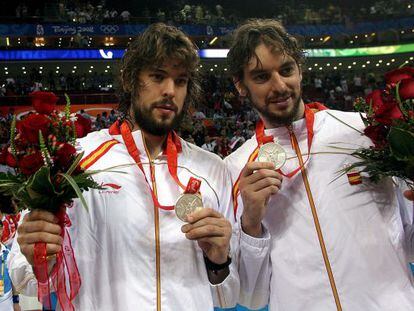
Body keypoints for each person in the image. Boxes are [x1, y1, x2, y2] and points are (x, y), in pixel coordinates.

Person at [12, 23, 239, 310]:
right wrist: (37, 253)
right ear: (131, 79)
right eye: (158, 76)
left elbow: (229, 295)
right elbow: (23, 276)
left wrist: (218, 261)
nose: (170, 90)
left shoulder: (212, 169)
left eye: (180, 81)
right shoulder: (76, 159)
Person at [225, 18, 414, 310]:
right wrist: (250, 222)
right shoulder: (234, 169)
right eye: (261, 77)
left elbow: (409, 239)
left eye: (286, 70)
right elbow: (251, 296)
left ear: (299, 70)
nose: (279, 86)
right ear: (241, 85)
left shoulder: (365, 132)